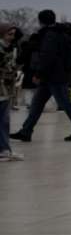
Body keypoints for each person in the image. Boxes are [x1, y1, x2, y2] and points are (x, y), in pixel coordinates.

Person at [10, 10, 71, 142]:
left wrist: (38, 73)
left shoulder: (50, 35)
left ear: (40, 21)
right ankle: (26, 131)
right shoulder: (58, 32)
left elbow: (48, 56)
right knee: (37, 104)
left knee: (65, 103)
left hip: (54, 75)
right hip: (52, 75)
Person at [1, 25, 24, 161]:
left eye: (13, 34)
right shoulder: (4, 49)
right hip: (2, 86)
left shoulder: (10, 48)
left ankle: (5, 149)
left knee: (4, 120)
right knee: (3, 120)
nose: (12, 37)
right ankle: (4, 149)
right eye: (9, 34)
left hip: (5, 86)